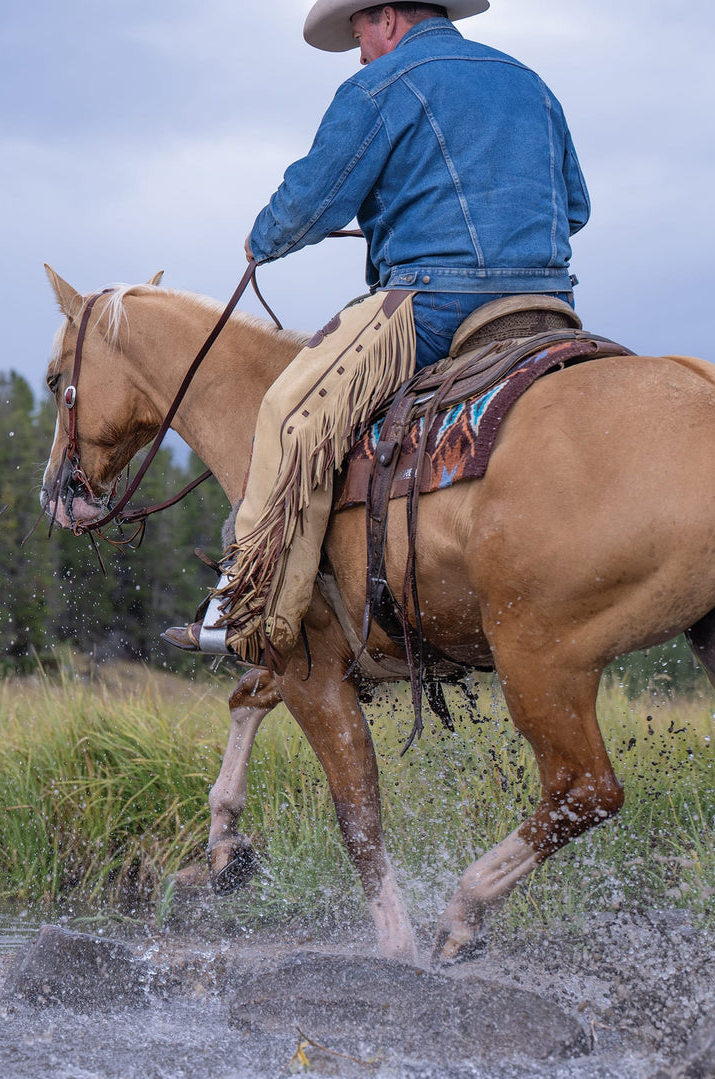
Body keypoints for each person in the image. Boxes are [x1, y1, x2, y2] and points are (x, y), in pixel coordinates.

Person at [163, 0, 590, 667]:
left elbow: (315, 197)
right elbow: (577, 208)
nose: (357, 47)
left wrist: (263, 238)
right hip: (548, 303)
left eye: (357, 30)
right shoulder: (530, 81)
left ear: (386, 17)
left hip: (429, 306)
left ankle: (245, 611)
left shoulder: (379, 86)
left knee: (287, 412)